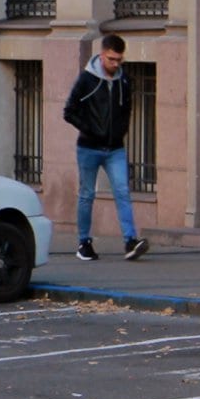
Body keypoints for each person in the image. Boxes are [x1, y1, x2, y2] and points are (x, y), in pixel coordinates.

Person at [64, 33, 147, 261]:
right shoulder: (87, 80)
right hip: (89, 147)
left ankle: (130, 240)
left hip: (115, 148)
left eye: (119, 60)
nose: (115, 64)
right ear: (102, 55)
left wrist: (120, 132)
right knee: (87, 195)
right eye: (111, 59)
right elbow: (69, 111)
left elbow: (127, 109)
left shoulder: (125, 80)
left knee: (122, 191)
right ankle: (84, 243)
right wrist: (91, 129)